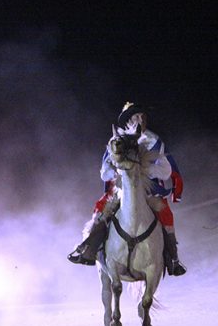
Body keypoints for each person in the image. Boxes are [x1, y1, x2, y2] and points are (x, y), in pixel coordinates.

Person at [67, 102, 187, 276]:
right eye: (136, 117)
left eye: (142, 117)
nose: (140, 120)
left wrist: (145, 169)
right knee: (102, 212)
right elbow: (104, 173)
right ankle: (88, 249)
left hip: (148, 191)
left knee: (166, 214)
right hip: (122, 190)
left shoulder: (153, 140)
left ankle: (173, 259)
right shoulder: (116, 142)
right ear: (128, 121)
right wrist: (119, 170)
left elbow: (166, 170)